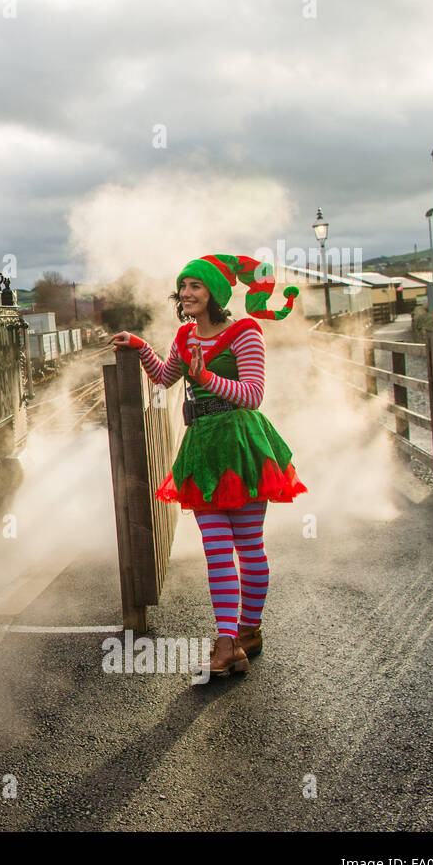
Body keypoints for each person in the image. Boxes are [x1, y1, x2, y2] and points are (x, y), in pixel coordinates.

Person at [109, 255, 307, 678]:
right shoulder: (184, 335)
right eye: (182, 286)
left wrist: (205, 379)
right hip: (201, 447)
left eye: (195, 286)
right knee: (216, 548)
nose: (186, 293)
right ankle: (226, 642)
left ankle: (248, 630)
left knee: (249, 545)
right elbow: (164, 378)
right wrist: (141, 346)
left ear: (215, 292)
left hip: (241, 445)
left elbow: (252, 395)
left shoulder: (245, 332)